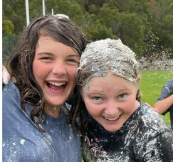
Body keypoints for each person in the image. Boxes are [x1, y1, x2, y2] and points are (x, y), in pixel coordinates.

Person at [2, 14, 89, 162]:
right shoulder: (5, 101)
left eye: (71, 60)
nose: (60, 70)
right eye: (46, 58)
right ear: (27, 60)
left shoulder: (76, 118)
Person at [73, 38, 173, 161]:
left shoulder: (153, 134)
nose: (111, 111)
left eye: (122, 96)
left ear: (137, 85)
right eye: (97, 98)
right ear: (81, 92)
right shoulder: (79, 116)